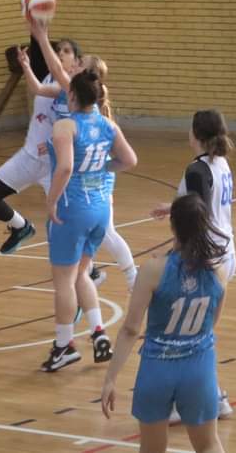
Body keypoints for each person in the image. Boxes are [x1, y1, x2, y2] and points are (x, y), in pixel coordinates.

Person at [101, 193, 229, 453]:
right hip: (199, 367)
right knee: (208, 444)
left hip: (157, 368)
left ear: (173, 226)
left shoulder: (153, 269)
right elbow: (211, 322)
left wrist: (110, 379)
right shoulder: (218, 270)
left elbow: (131, 329)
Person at [42, 68, 138, 372]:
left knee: (63, 282)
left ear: (71, 94)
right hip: (99, 209)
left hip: (72, 209)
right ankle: (98, 333)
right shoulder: (108, 124)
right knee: (82, 273)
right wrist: (101, 168)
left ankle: (64, 347)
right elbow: (129, 160)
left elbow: (66, 167)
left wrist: (51, 200)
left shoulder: (66, 125)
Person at [30, 19, 138, 289]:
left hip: (94, 177)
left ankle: (130, 276)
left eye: (80, 63)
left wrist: (42, 37)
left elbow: (56, 68)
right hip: (95, 170)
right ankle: (90, 275)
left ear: (87, 74)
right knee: (96, 231)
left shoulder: (81, 96)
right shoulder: (92, 106)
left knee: (106, 231)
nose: (75, 64)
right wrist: (53, 145)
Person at [151, 109, 236, 421]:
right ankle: (209, 396)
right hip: (226, 251)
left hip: (205, 255)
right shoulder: (220, 163)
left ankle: (206, 398)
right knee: (198, 332)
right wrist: (173, 206)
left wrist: (177, 257)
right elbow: (201, 204)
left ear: (196, 134)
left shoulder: (196, 170)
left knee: (186, 334)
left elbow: (197, 219)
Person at [0, 26, 83, 255]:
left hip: (55, 165)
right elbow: (38, 86)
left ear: (77, 61)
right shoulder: (49, 79)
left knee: (68, 224)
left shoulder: (76, 88)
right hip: (29, 157)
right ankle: (21, 227)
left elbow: (80, 129)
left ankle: (92, 269)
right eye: (58, 50)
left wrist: (52, 144)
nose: (60, 53)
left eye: (66, 51)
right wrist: (26, 62)